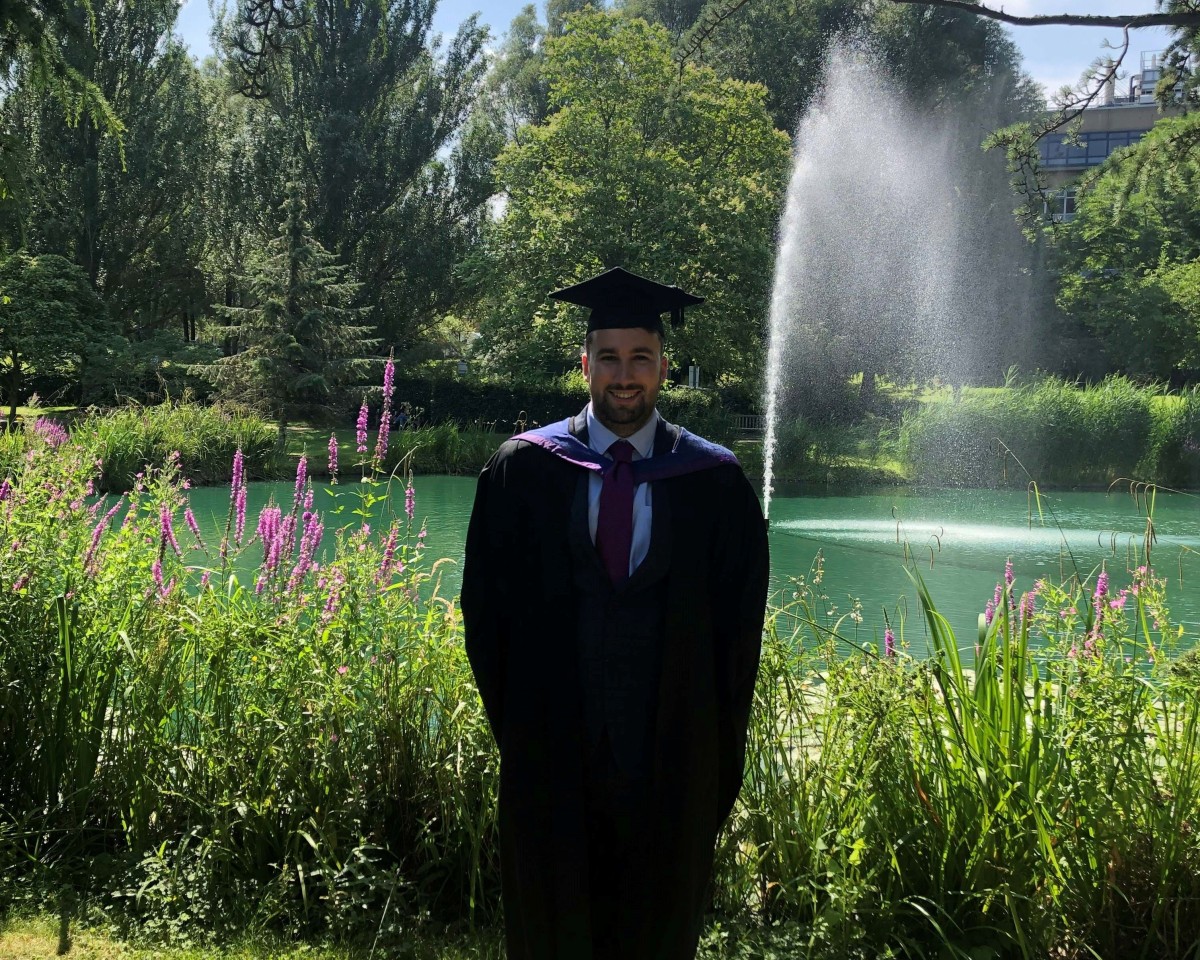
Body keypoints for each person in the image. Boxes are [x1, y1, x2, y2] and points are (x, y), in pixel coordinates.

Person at [461, 266, 769, 960]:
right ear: (585, 363)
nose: (624, 376)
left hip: (671, 758)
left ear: (664, 366)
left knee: (656, 932)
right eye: (609, 358)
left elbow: (737, 634)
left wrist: (711, 758)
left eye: (640, 359)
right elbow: (486, 619)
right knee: (552, 927)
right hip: (552, 756)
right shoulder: (523, 472)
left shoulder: (713, 485)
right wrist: (524, 731)